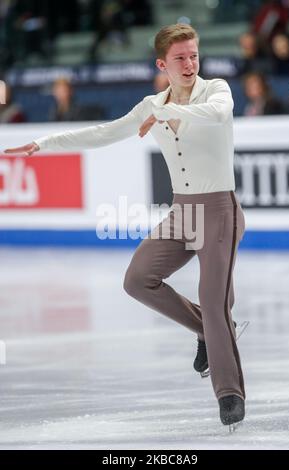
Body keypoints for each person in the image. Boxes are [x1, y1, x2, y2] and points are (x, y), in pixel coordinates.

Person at [3, 24, 246, 428]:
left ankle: (229, 393)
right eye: (180, 58)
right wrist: (44, 144)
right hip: (182, 213)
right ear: (161, 64)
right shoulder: (151, 103)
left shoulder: (216, 89)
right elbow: (104, 133)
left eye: (193, 56)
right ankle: (211, 328)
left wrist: (168, 111)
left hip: (220, 210)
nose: (189, 64)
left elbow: (217, 114)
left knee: (215, 297)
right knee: (137, 279)